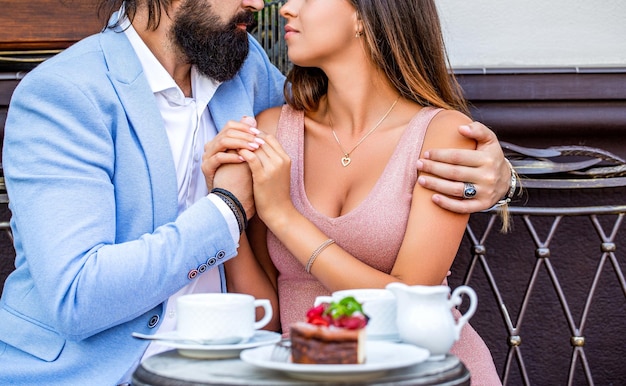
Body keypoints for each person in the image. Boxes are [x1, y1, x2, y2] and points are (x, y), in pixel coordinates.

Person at [0, 0, 510, 384]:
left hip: (250, 365)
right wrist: (225, 211)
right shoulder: (65, 93)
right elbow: (77, 297)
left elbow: (361, 122)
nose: (263, 0)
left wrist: (504, 180)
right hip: (98, 372)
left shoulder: (245, 73)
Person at [218, 0, 503, 384]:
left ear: (365, 15)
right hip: (309, 371)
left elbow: (407, 306)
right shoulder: (271, 132)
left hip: (424, 374)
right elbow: (263, 315)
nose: (286, 8)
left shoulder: (443, 135)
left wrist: (283, 217)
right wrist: (225, 208)